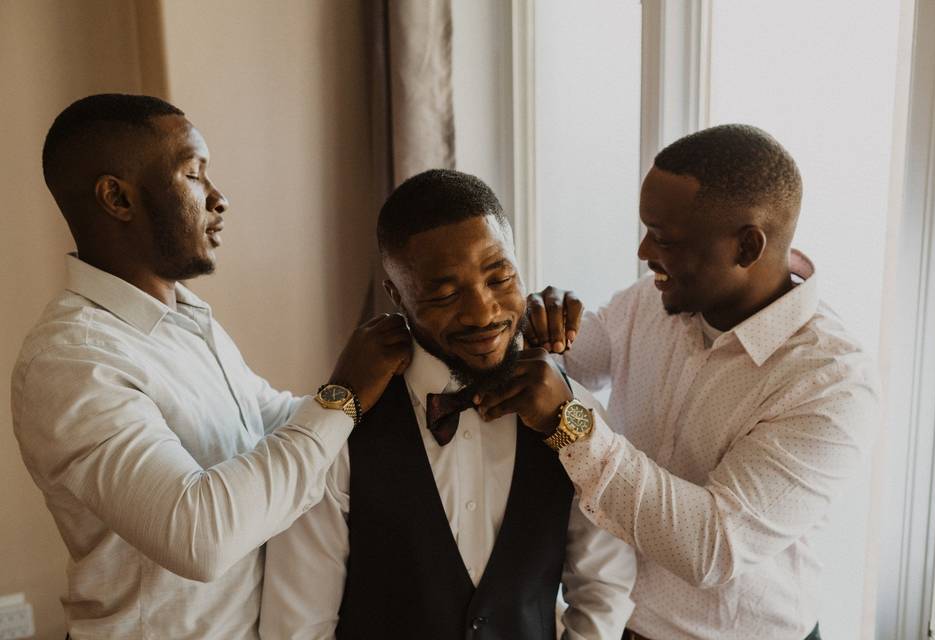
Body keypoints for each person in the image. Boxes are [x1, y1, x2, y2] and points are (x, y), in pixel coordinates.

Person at [11, 94, 411, 639]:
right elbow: (200, 536)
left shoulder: (187, 318)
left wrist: (416, 371)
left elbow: (271, 421)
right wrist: (341, 396)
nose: (219, 198)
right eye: (194, 174)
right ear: (117, 198)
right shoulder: (71, 360)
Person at [478, 124, 880, 639]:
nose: (645, 251)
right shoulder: (658, 297)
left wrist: (569, 424)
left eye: (664, 237)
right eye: (647, 229)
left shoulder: (832, 383)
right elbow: (577, 359)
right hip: (617, 624)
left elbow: (712, 547)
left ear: (747, 246)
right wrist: (535, 323)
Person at [260, 169, 637, 639]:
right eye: (445, 294)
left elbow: (604, 589)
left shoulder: (573, 415)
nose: (483, 313)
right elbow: (297, 625)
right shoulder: (338, 432)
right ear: (397, 294)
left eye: (500, 278)